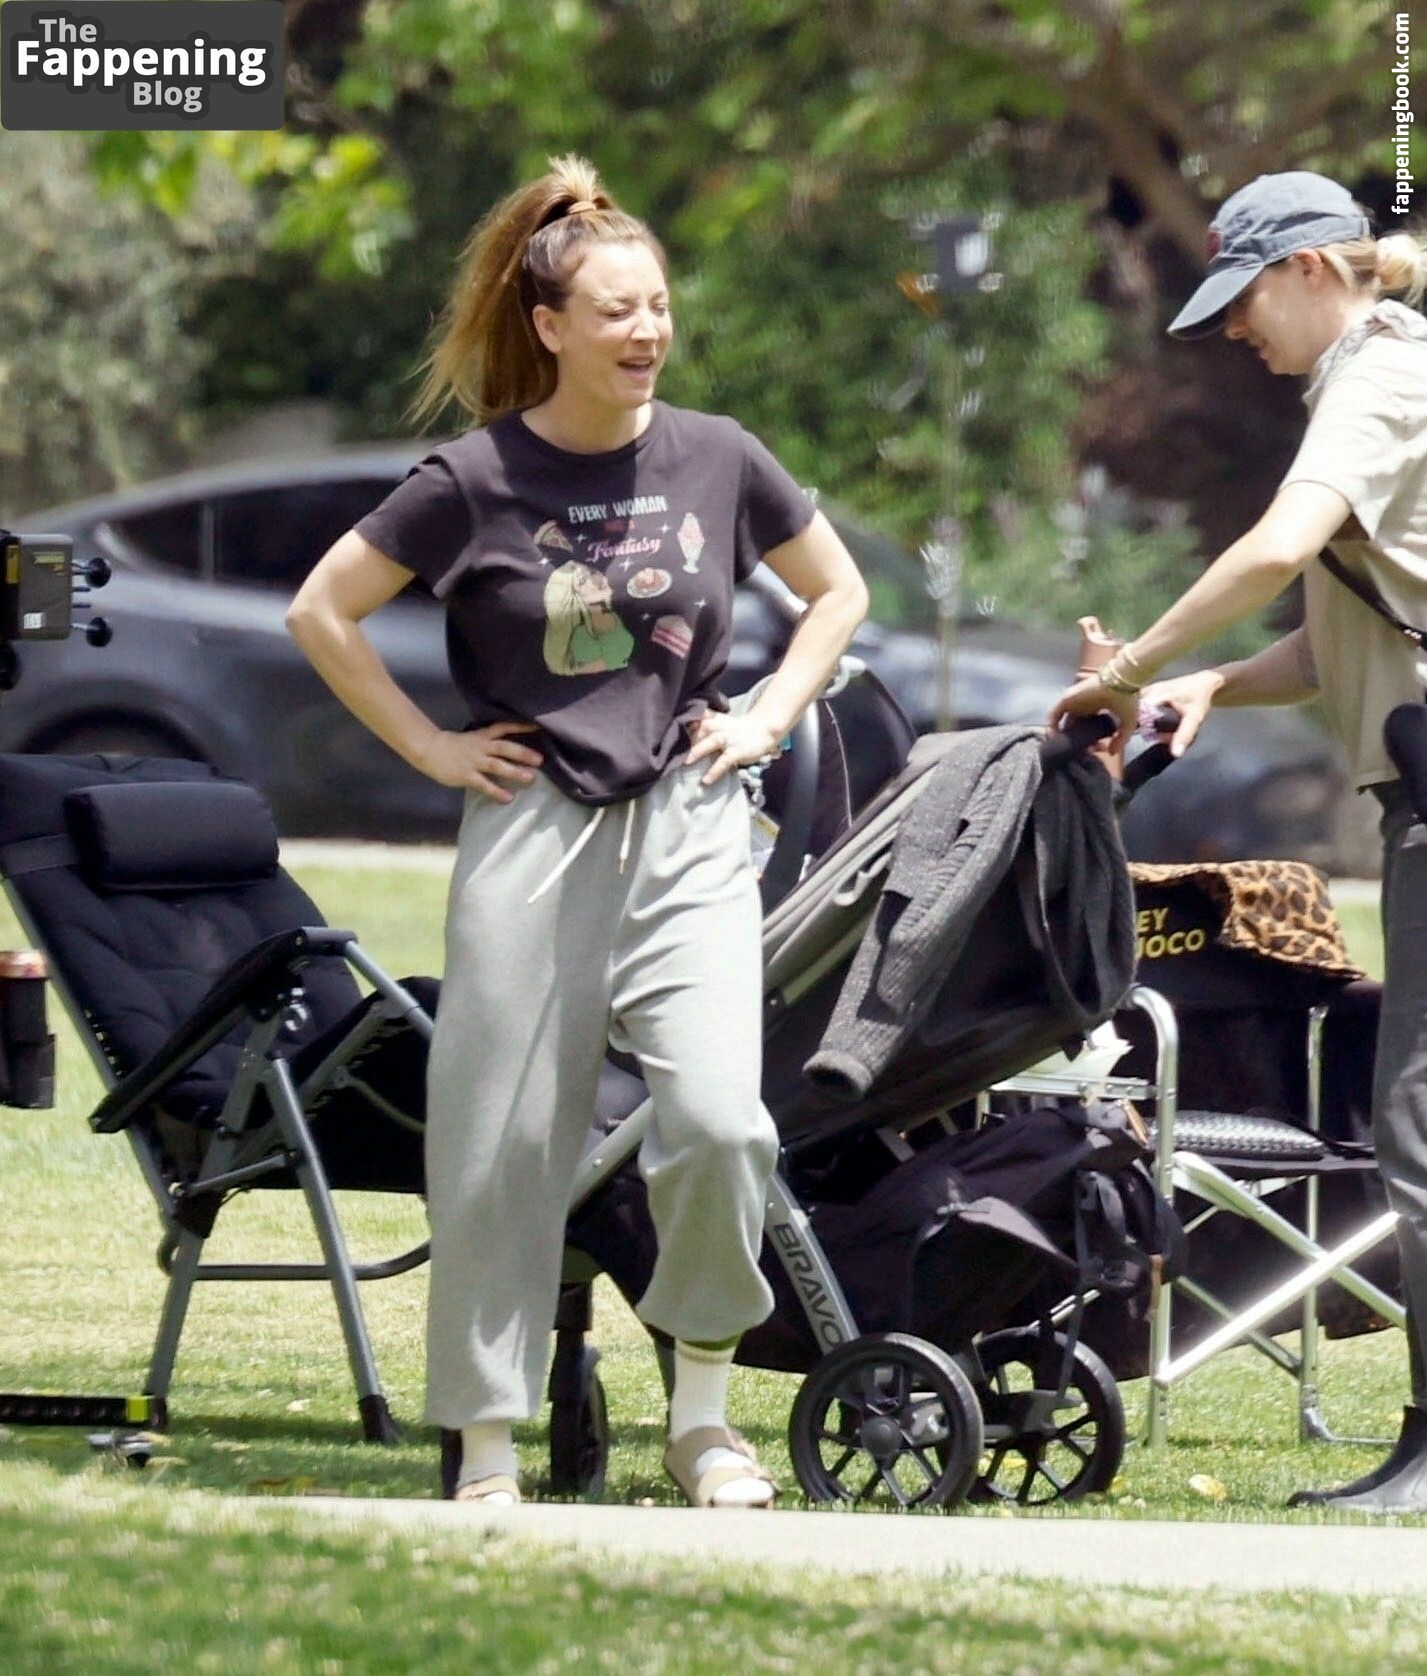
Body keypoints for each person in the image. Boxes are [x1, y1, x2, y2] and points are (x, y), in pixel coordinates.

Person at [286, 155, 869, 1508]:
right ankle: (487, 1439)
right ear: (550, 326)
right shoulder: (474, 476)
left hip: (690, 827)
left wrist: (773, 711)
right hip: (531, 829)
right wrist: (430, 746)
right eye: (616, 311)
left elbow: (836, 593)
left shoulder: (720, 455)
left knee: (722, 1125)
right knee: (499, 1147)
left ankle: (703, 1418)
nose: (646, 330)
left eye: (657, 305)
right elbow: (323, 609)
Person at [1049, 170, 1427, 1512]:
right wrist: (1209, 681)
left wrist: (1129, 668)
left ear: (1314, 268)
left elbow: (1276, 551)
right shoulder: (1373, 377)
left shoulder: (1379, 378)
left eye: (1243, 300)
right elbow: (1334, 644)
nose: (1231, 332)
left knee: (1414, 1114)